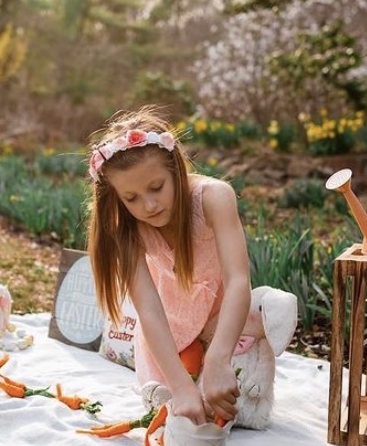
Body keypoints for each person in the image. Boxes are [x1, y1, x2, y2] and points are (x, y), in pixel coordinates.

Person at [86, 106, 251, 427]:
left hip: (223, 324)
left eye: (156, 187)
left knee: (238, 405)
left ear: (175, 169)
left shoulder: (214, 199)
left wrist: (218, 359)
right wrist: (180, 386)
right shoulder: (126, 228)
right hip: (168, 337)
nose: (148, 205)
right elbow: (149, 310)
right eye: (131, 198)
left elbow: (238, 281)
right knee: (185, 417)